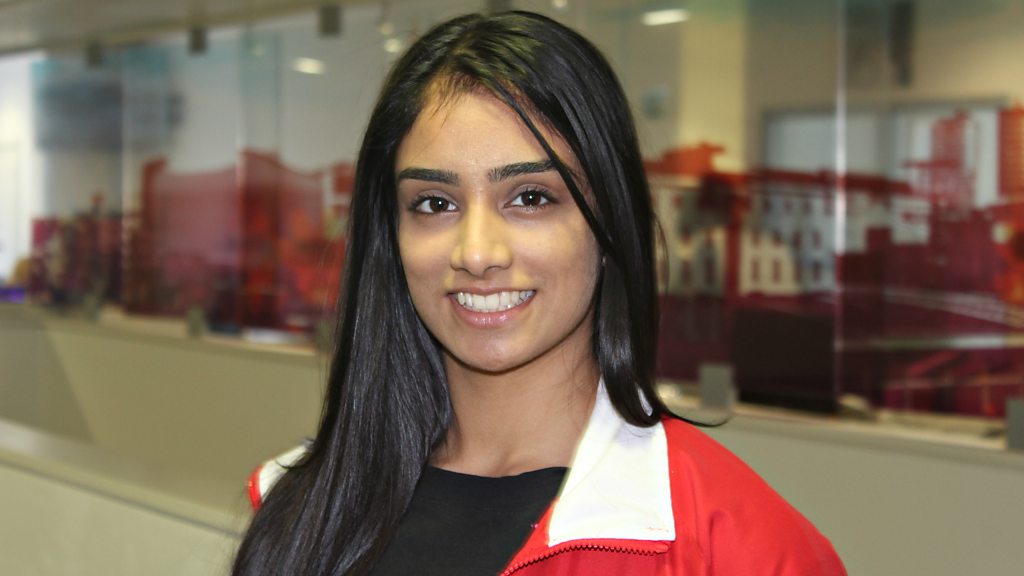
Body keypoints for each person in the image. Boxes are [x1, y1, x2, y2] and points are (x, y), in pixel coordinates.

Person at [232, 10, 846, 576]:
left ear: (609, 224)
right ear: (390, 236)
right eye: (435, 203)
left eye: (530, 197)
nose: (477, 253)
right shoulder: (296, 511)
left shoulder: (736, 548)